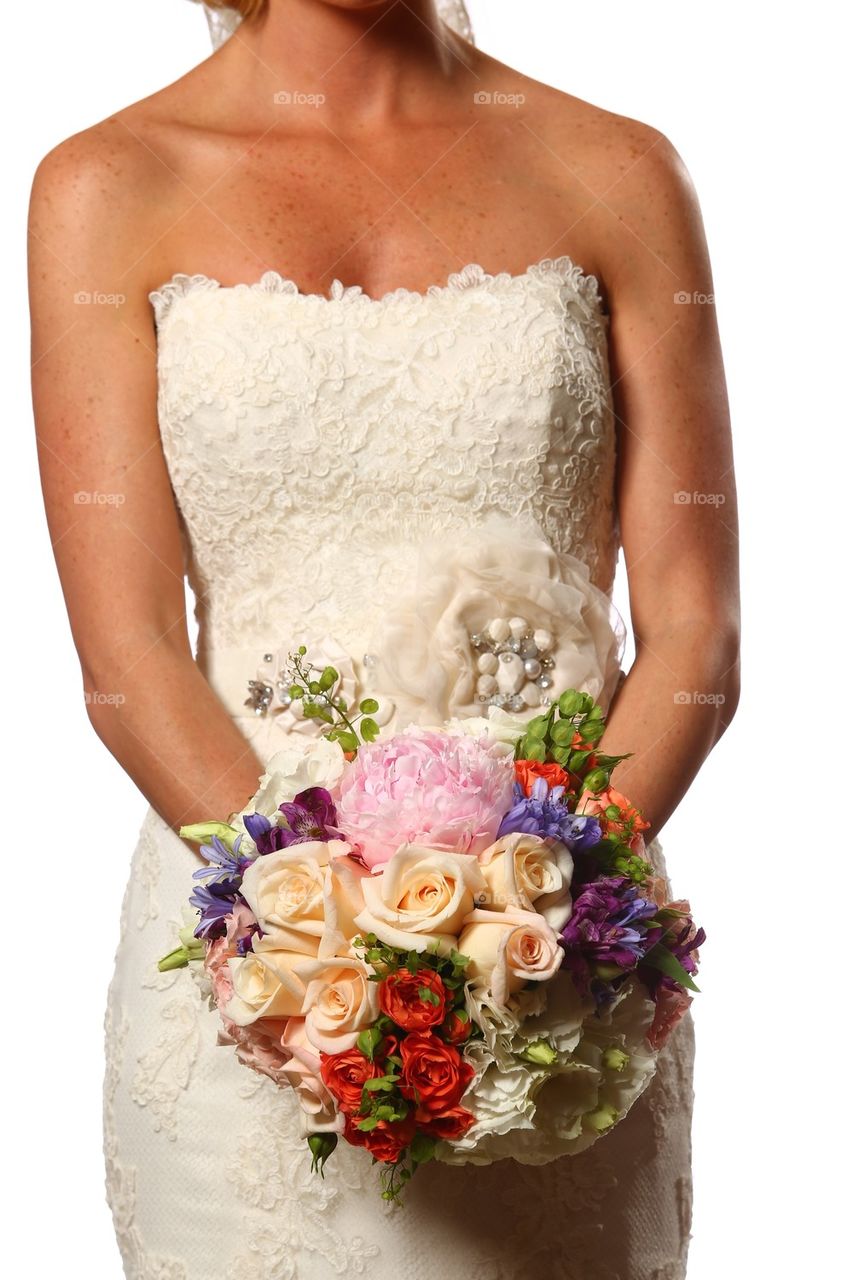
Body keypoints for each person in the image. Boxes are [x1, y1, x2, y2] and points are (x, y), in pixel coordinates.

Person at [28, 1, 739, 1275]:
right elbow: (127, 658)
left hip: (558, 977)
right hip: (246, 962)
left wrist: (542, 930)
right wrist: (321, 944)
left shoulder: (618, 171)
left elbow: (696, 626)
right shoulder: (104, 186)